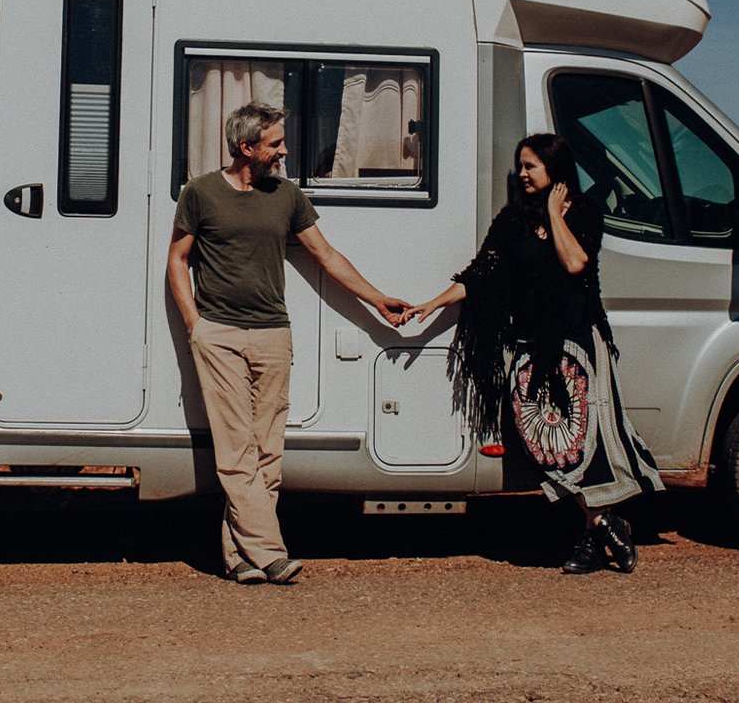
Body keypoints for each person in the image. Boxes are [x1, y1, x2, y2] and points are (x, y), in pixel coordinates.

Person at [168, 102, 408, 585]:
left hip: (274, 332)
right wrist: (195, 322)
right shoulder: (200, 193)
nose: (283, 151)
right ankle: (271, 553)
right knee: (235, 450)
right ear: (247, 147)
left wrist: (377, 298)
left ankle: (238, 558)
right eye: (275, 143)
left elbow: (326, 255)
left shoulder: (286, 196)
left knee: (266, 452)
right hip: (220, 334)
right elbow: (177, 258)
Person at [401, 132, 664, 573]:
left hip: (576, 344)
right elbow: (482, 273)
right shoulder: (512, 219)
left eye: (531, 167)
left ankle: (592, 534)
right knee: (544, 440)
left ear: (556, 173)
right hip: (529, 348)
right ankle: (604, 523)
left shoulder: (583, 213)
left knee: (583, 441)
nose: (521, 174)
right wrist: (432, 303)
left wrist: (555, 216)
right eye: (519, 166)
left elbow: (576, 262)